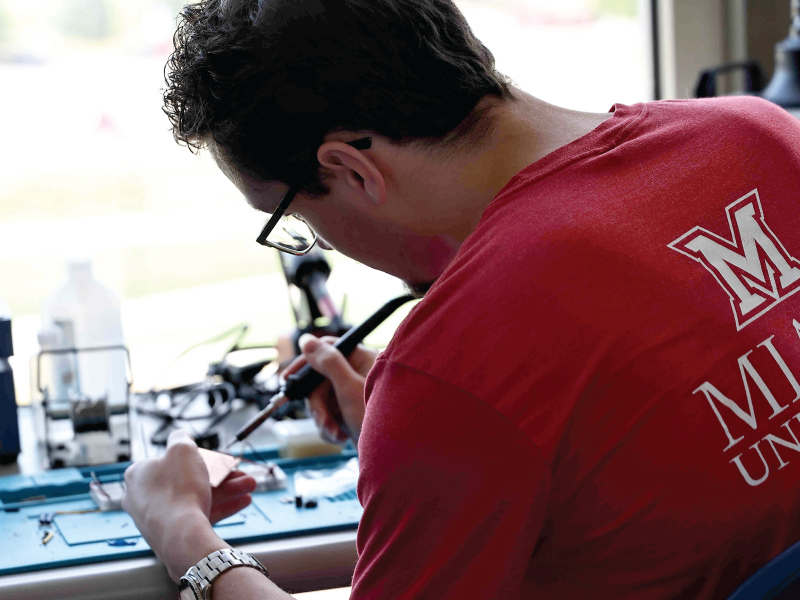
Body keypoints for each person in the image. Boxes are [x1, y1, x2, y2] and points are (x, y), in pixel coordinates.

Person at [122, 0, 800, 598]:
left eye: (291, 219)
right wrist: (444, 443)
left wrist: (184, 534)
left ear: (350, 169)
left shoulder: (448, 372)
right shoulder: (760, 133)